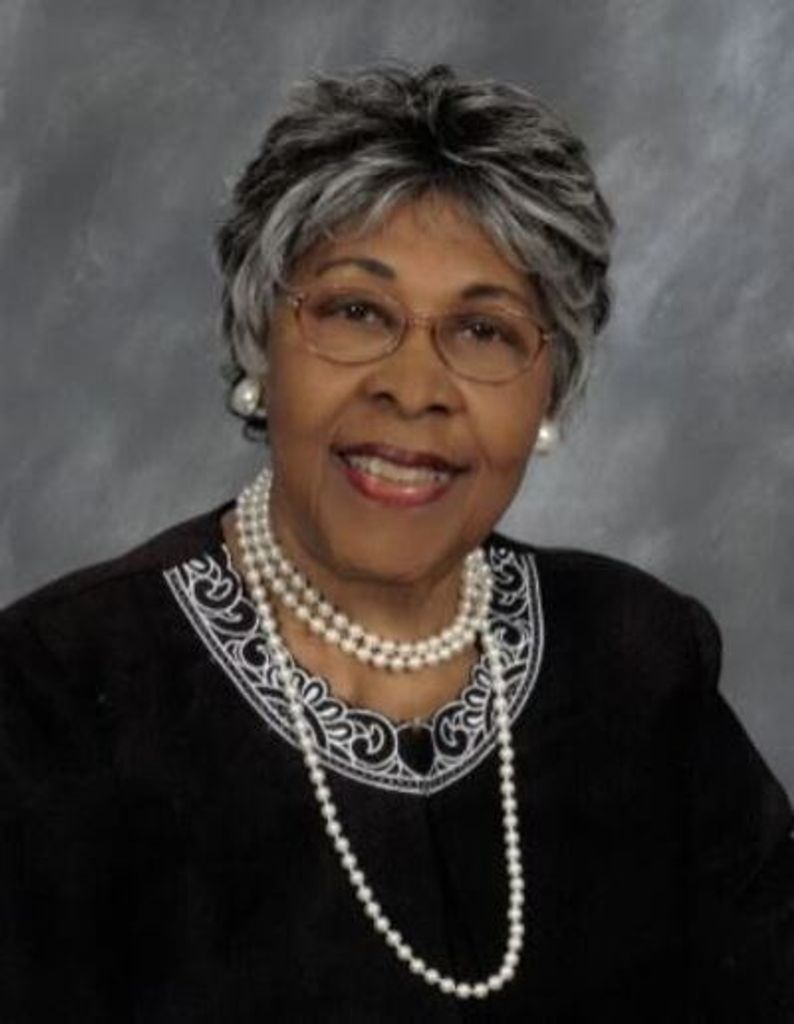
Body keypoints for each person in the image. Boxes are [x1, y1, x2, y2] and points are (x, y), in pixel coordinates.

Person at [1, 64, 792, 1023]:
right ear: (260, 340)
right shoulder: (58, 691)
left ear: (549, 391)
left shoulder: (637, 658)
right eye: (356, 312)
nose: (413, 390)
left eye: (485, 330)